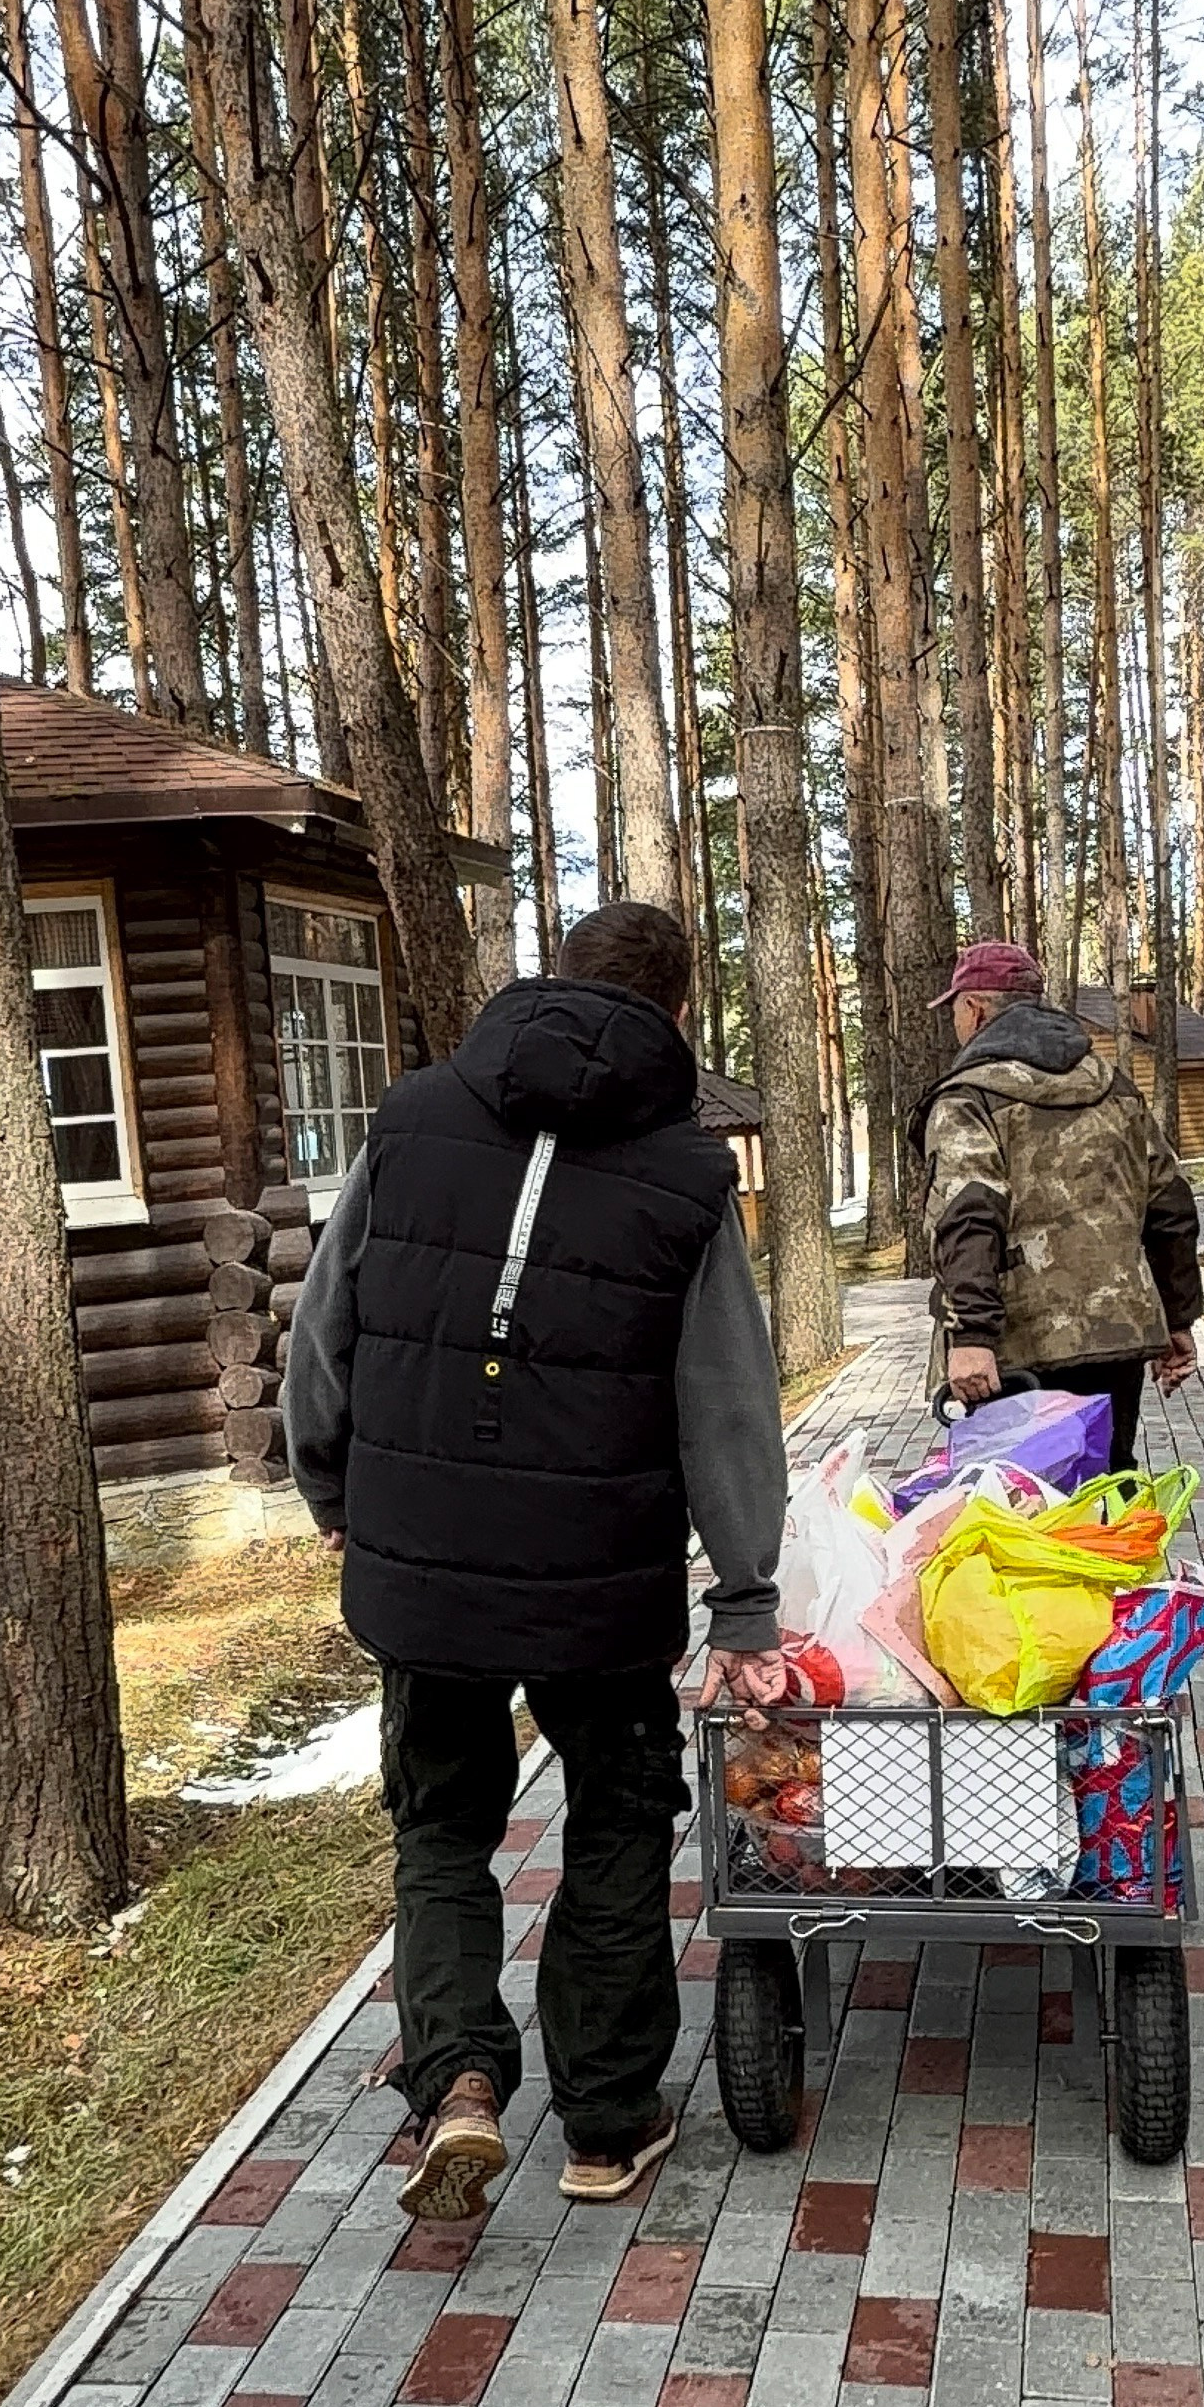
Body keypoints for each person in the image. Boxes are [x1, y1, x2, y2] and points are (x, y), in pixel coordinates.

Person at [281, 900, 789, 2223]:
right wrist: (743, 1594)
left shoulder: (409, 1123)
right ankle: (608, 2127)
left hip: (423, 1562)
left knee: (443, 1827)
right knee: (616, 1821)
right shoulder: (686, 1177)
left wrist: (329, 1483)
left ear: (553, 981)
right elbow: (723, 1399)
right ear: (678, 1012)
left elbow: (325, 1330)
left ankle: (453, 2080)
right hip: (598, 1580)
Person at [910, 940, 1203, 1470]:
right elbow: (1170, 1207)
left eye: (954, 1007)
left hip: (1014, 1352)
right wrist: (1176, 1319)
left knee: (1016, 1515)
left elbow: (968, 1218)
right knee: (1103, 1494)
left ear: (974, 1008)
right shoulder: (1114, 1087)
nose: (954, 1020)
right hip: (1117, 1339)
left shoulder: (968, 1099)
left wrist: (971, 1337)